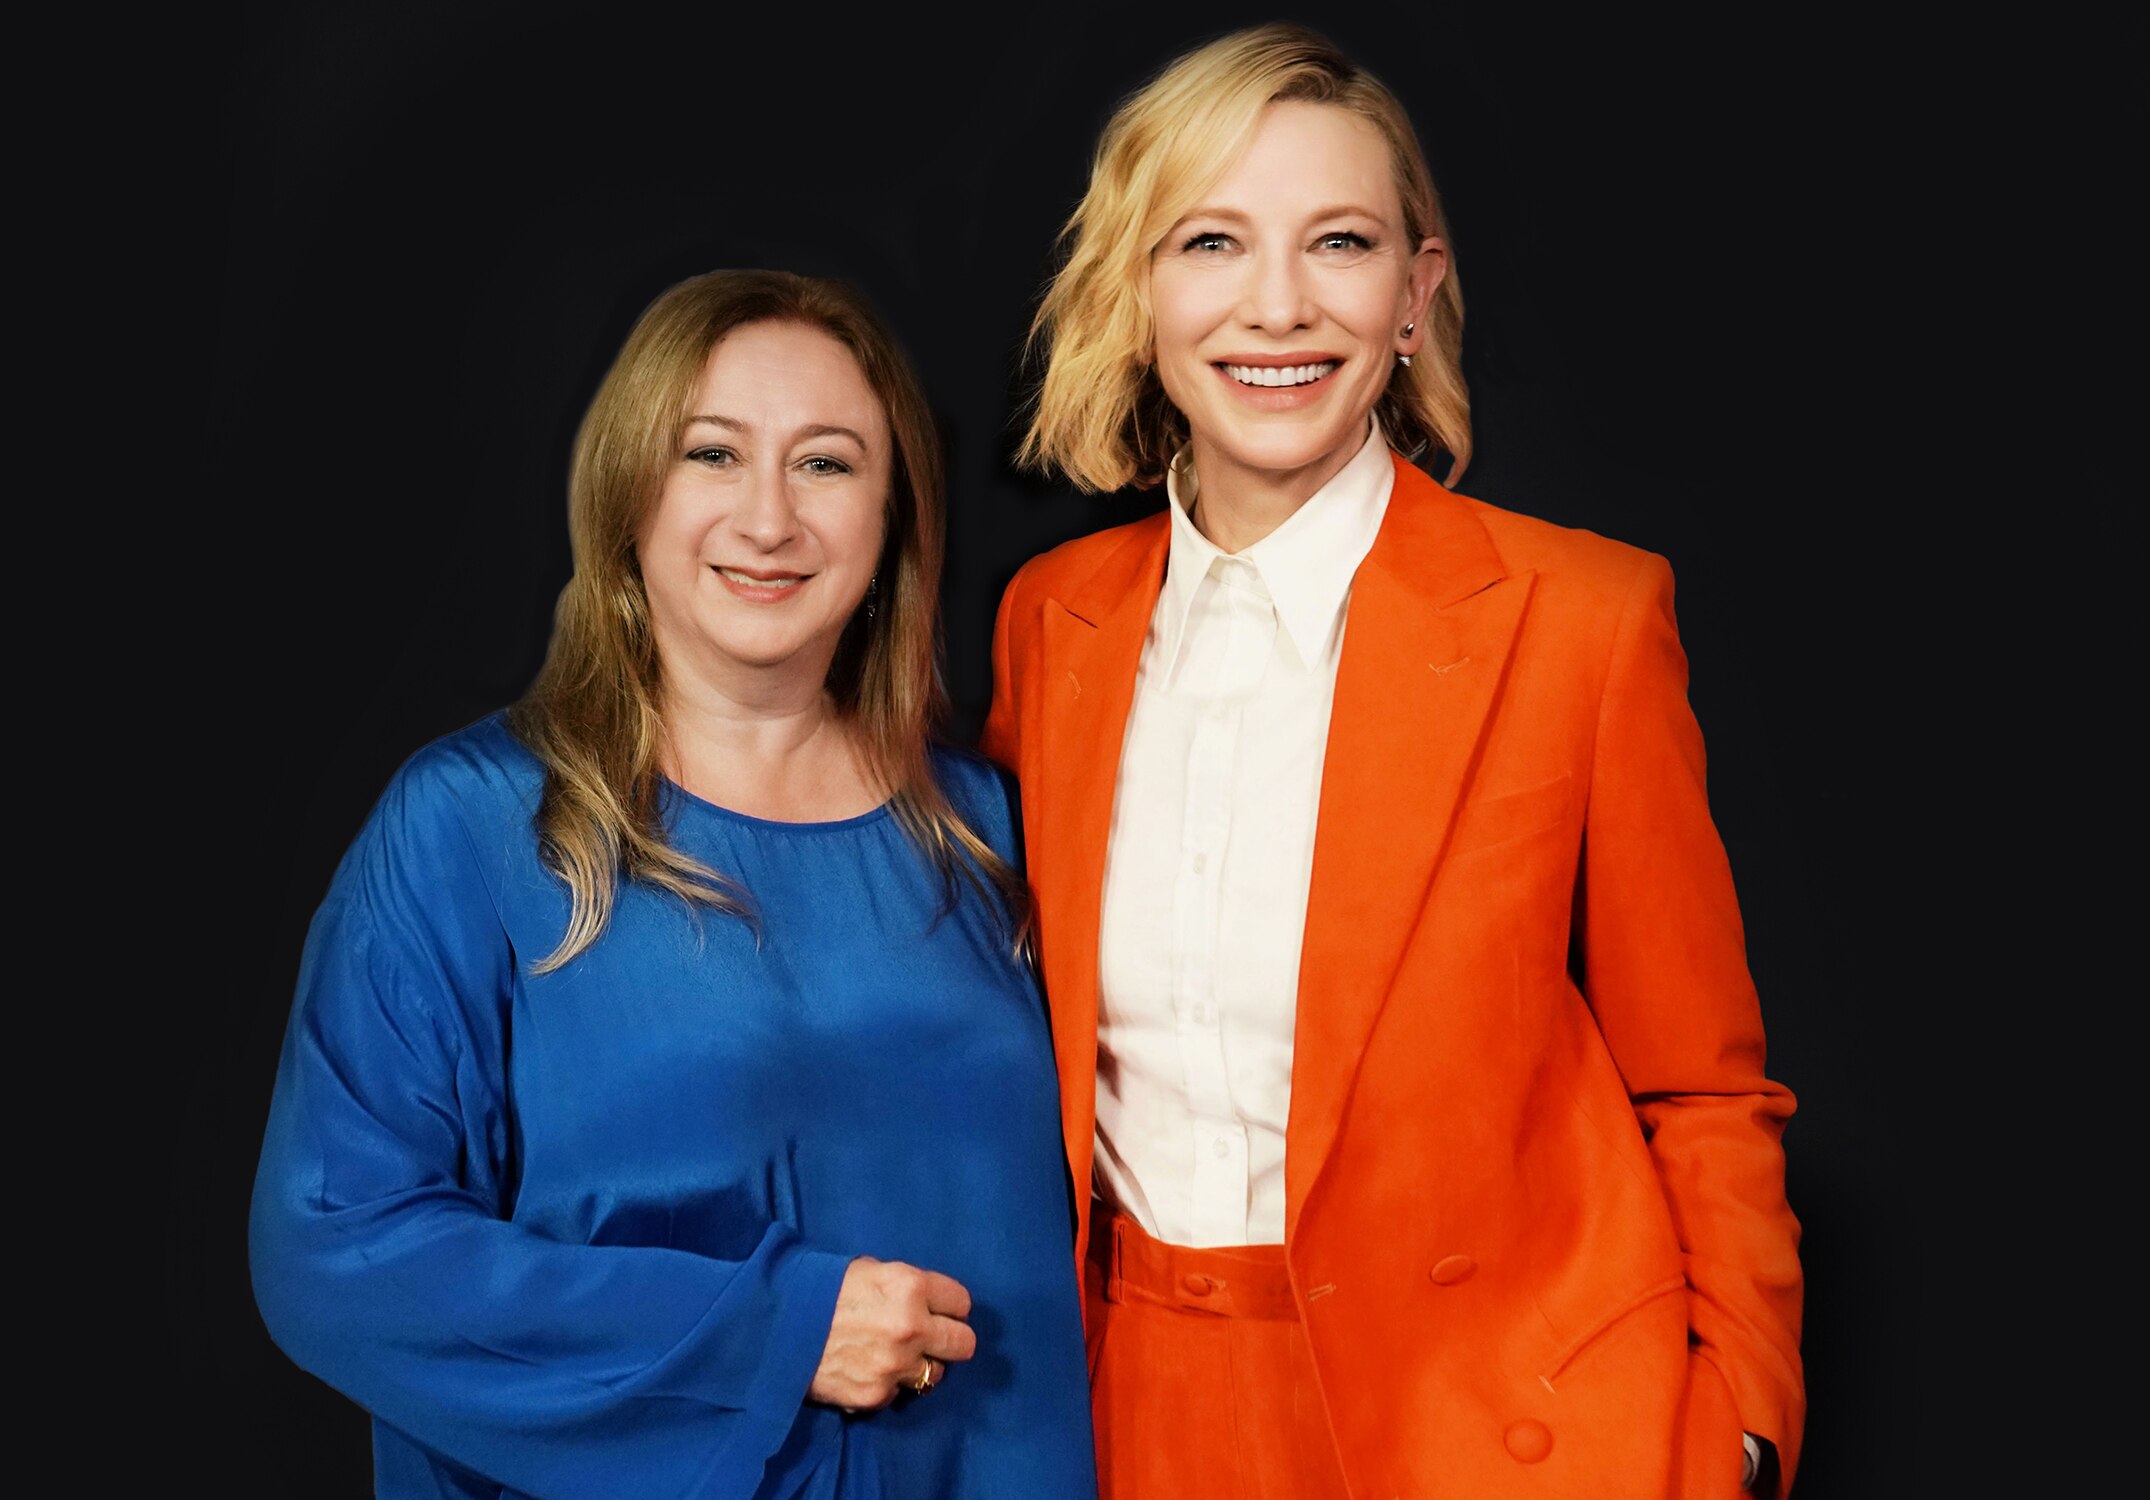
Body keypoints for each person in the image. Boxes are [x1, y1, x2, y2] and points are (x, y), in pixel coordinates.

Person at [983, 23, 1804, 1499]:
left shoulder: (1583, 623)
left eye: (1340, 242)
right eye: (1212, 241)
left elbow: (1701, 1089)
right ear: (1141, 293)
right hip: (1118, 1409)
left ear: (1413, 294)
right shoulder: (1052, 624)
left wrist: (1734, 1427)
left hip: (1487, 1424)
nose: (1277, 306)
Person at [250, 268, 1098, 1500]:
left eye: (825, 463)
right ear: (627, 495)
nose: (769, 521)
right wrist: (775, 1330)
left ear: (893, 515)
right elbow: (334, 1250)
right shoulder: (473, 827)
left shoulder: (997, 831)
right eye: (712, 454)